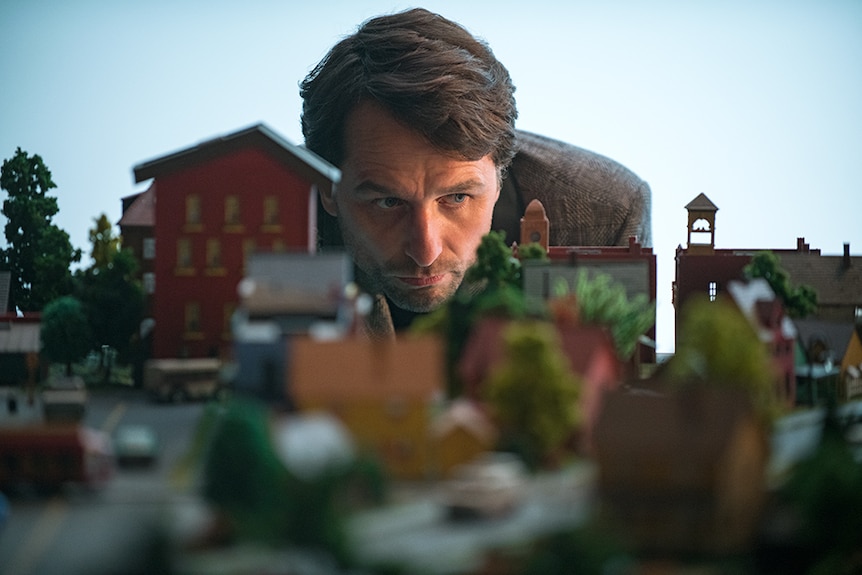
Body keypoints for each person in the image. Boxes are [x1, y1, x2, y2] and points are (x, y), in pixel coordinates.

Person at [300, 8, 651, 337]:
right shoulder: (269, 215)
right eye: (389, 201)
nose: (426, 251)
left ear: (499, 171)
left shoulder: (605, 215)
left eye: (456, 197)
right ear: (327, 187)